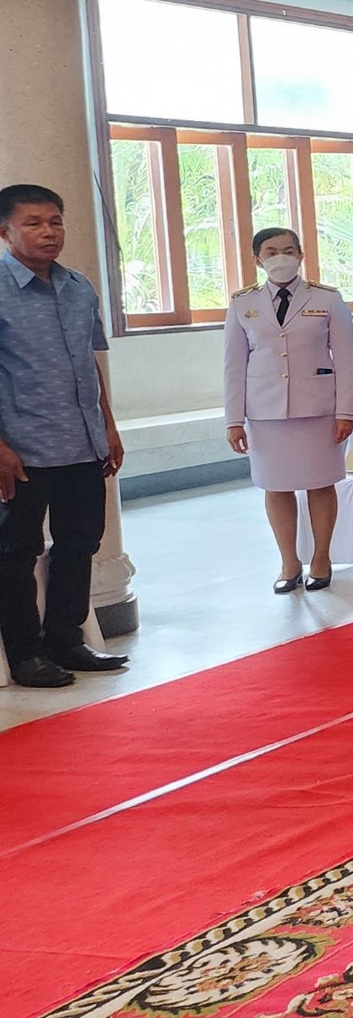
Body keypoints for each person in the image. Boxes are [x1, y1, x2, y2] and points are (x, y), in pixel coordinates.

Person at [0, 184, 128, 688]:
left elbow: (89, 365)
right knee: (16, 554)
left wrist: (108, 426)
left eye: (55, 221)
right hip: (23, 452)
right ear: (5, 231)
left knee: (79, 544)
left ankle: (67, 641)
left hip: (83, 444)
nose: (49, 232)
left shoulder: (79, 287)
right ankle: (26, 654)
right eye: (33, 223)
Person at [223, 228, 353, 594]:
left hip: (317, 408)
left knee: (320, 482)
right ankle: (288, 562)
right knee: (275, 486)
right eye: (271, 251)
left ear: (301, 255)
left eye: (288, 250)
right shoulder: (242, 304)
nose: (280, 257)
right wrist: (234, 420)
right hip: (265, 412)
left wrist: (346, 410)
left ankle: (321, 557)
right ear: (257, 259)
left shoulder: (327, 299)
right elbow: (233, 366)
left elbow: (346, 359)